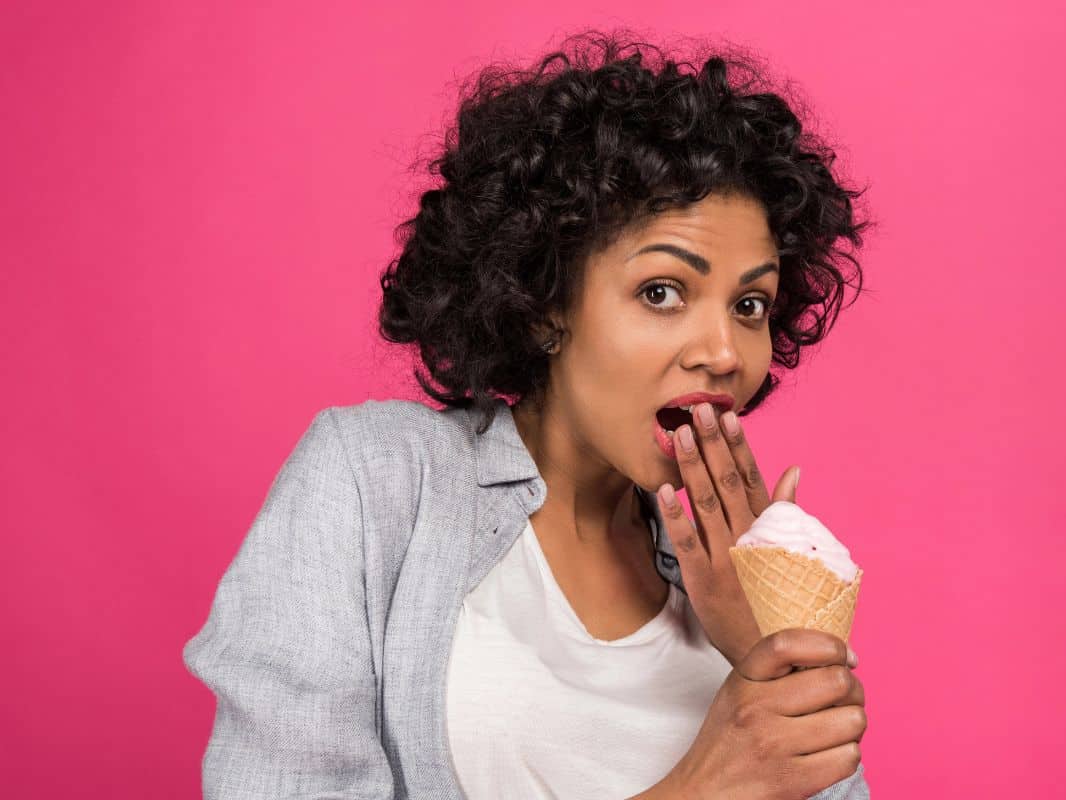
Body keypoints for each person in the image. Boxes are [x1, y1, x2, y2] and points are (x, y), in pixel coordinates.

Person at [184, 29, 873, 800]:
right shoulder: (373, 483)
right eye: (662, 291)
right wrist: (700, 789)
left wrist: (768, 653)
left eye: (750, 305)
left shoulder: (735, 572)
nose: (724, 351)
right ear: (545, 303)